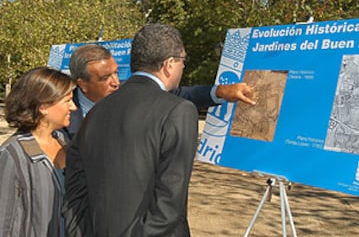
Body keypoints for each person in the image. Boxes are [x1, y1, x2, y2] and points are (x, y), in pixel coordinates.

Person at [64, 23, 203, 236]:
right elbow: (169, 204)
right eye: (183, 60)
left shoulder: (94, 112)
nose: (183, 67)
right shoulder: (179, 110)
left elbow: (74, 191)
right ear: (169, 64)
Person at [63, 43, 256, 139]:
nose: (115, 83)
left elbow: (180, 95)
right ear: (82, 84)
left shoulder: (129, 91)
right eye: (105, 78)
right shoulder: (61, 116)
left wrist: (221, 91)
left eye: (115, 73)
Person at [0, 67, 77, 237]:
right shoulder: (12, 156)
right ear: (43, 106)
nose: (73, 107)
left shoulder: (67, 145)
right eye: (67, 101)